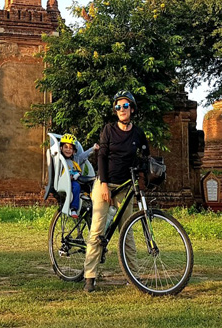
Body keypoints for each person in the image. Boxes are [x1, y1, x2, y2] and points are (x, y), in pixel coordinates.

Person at [82, 90, 150, 293]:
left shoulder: (138, 133)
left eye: (125, 105)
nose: (122, 109)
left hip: (125, 187)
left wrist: (147, 174)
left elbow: (145, 156)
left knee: (126, 234)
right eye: (118, 106)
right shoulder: (108, 130)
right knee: (96, 230)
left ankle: (134, 276)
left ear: (132, 108)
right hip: (106, 184)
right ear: (115, 110)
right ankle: (90, 276)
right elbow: (101, 157)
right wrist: (103, 184)